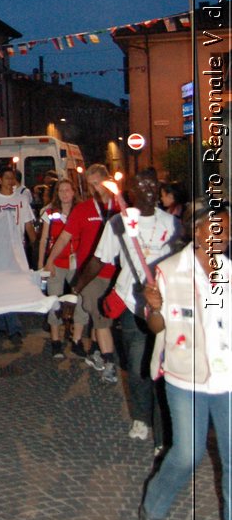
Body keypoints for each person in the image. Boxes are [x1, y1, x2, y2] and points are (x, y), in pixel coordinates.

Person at [139, 202, 231, 520]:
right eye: (215, 228)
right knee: (188, 453)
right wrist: (155, 309)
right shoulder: (168, 271)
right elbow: (156, 329)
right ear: (195, 231)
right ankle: (155, 501)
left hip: (227, 380)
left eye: (227, 229)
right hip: (186, 377)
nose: (221, 236)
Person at [93, 169, 181, 444]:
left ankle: (165, 426)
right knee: (138, 365)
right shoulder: (118, 222)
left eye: (153, 185)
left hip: (163, 306)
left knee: (164, 367)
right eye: (142, 185)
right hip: (132, 305)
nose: (149, 190)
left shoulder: (173, 223)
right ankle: (141, 418)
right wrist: (78, 282)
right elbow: (102, 259)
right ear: (131, 191)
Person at [47, 163, 119, 380]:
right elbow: (64, 238)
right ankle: (108, 360)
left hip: (115, 272)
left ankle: (95, 351)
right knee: (98, 315)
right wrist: (50, 259)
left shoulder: (120, 207)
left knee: (103, 315)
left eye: (97, 183)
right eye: (90, 185)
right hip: (91, 273)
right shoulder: (83, 209)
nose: (94, 189)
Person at [0, 167, 37, 346]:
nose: (11, 182)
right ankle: (14, 328)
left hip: (18, 248)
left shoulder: (21, 200)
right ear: (0, 180)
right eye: (8, 178)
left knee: (10, 287)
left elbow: (28, 225)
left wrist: (35, 245)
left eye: (13, 179)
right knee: (7, 287)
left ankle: (4, 324)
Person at [38, 178, 87, 359]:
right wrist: (42, 264)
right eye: (61, 190)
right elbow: (43, 239)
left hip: (77, 263)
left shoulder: (81, 212)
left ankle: (77, 339)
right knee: (54, 300)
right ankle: (56, 340)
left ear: (74, 192)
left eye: (68, 190)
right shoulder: (50, 213)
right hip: (56, 263)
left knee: (81, 300)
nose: (65, 194)